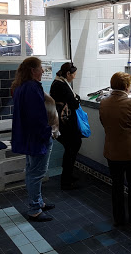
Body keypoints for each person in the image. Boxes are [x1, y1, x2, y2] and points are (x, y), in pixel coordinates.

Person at [99, 72, 131, 226]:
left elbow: (104, 123)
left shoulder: (104, 103)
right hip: (130, 151)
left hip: (111, 150)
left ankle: (118, 219)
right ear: (127, 86)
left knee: (117, 186)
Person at [11, 57, 55, 222]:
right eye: (40, 68)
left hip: (28, 137)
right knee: (36, 174)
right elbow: (37, 116)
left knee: (32, 171)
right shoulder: (31, 88)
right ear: (32, 70)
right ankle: (34, 209)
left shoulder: (20, 87)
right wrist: (47, 133)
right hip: (37, 138)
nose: (43, 71)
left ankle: (39, 202)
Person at [50, 62, 82, 190]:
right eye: (73, 74)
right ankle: (66, 180)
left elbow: (73, 98)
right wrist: (76, 100)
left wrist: (75, 99)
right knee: (72, 147)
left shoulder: (59, 82)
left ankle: (68, 175)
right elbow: (74, 103)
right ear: (68, 73)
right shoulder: (61, 85)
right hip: (65, 123)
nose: (74, 77)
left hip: (62, 122)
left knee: (71, 147)